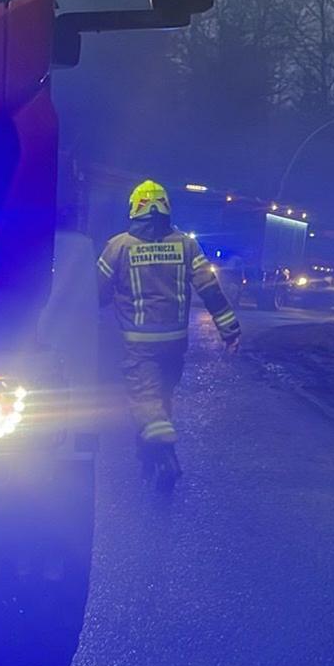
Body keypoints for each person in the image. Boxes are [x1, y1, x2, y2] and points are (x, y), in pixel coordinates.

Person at [97, 180, 241, 489]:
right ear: (165, 209)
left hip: (137, 344)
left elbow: (95, 291)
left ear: (135, 209)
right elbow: (209, 288)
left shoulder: (118, 246)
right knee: (162, 396)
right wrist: (229, 330)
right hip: (175, 344)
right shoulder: (185, 245)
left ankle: (164, 454)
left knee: (145, 399)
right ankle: (152, 453)